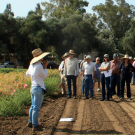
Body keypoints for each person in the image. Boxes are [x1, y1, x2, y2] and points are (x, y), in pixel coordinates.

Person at [26, 48, 49, 131]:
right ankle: (35, 125)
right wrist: (45, 67)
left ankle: (30, 122)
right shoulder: (39, 65)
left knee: (32, 106)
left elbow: (27, 74)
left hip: (33, 87)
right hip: (38, 88)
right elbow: (45, 76)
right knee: (36, 108)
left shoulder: (32, 64)